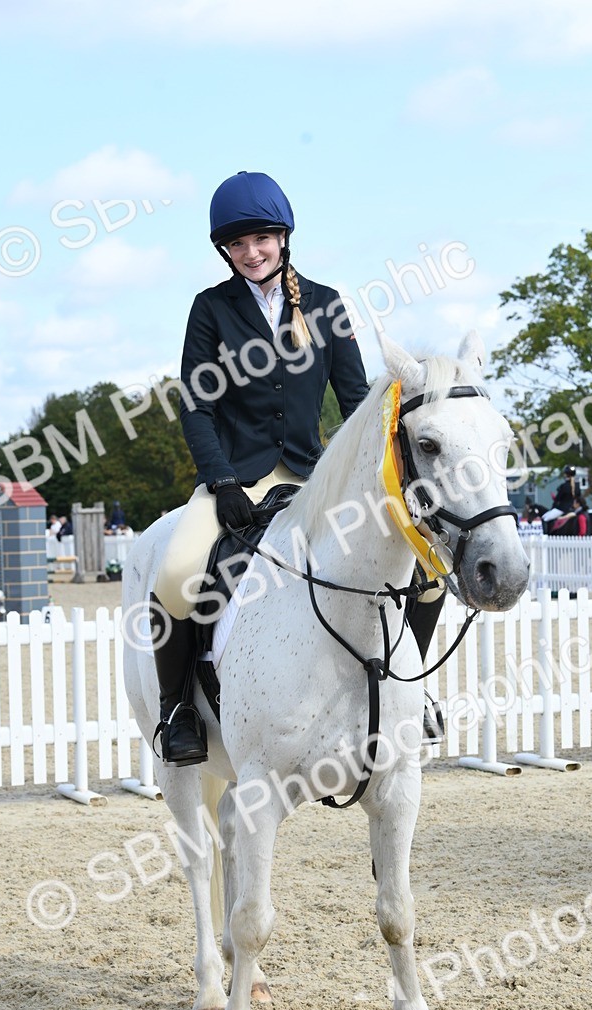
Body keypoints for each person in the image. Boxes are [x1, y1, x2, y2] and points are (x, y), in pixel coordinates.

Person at [151, 170, 373, 765]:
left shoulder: (326, 305)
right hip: (235, 476)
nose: (251, 253)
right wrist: (221, 481)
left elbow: (357, 403)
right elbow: (196, 406)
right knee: (175, 573)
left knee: (401, 556)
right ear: (224, 249)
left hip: (312, 476)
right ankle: (177, 711)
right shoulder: (210, 310)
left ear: (283, 238)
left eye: (262, 240)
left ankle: (412, 694)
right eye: (238, 244)